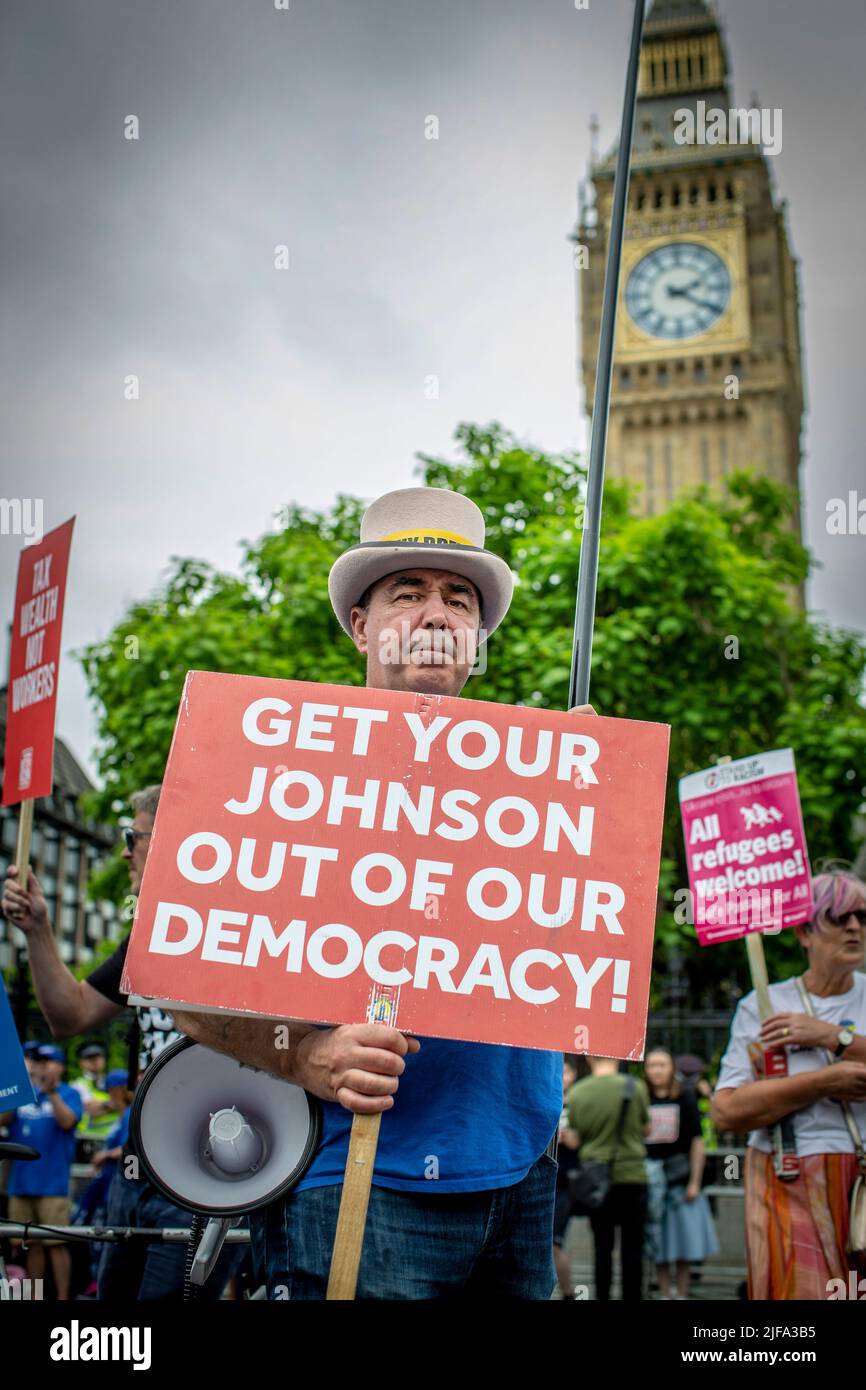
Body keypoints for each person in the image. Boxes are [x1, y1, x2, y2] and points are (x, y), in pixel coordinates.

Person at [171, 484, 598, 1300]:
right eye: (409, 592)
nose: (438, 614)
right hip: (360, 1184)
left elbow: (575, 965)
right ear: (362, 625)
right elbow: (184, 990)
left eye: (459, 598)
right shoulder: (278, 771)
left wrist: (586, 817)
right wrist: (312, 1053)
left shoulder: (541, 780)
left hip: (524, 1176)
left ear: (476, 637)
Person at [1, 786, 240, 1301]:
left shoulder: (238, 928)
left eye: (134, 836)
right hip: (136, 1170)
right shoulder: (147, 935)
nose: (125, 850)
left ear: (175, 837)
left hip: (204, 1174)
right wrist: (39, 930)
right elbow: (72, 1015)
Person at [713, 867, 866, 1300]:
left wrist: (831, 1037)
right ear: (804, 932)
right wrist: (824, 1081)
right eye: (838, 917)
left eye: (863, 917)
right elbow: (727, 1110)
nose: (855, 927)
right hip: (787, 1176)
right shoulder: (764, 1005)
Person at [1, 1043, 83, 1300]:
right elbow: (2, 1120)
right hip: (21, 1183)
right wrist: (18, 1089)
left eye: (48, 1061)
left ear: (60, 1066)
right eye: (37, 1061)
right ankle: (34, 1297)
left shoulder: (69, 1093)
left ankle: (62, 1297)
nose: (42, 1066)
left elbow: (68, 1121)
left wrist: (52, 1092)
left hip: (53, 1184)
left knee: (56, 1244)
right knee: (30, 1245)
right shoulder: (23, 1093)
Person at [566, 1055, 650, 1301]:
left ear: (590, 1058)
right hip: (633, 1176)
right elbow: (647, 1129)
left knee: (602, 1247)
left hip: (596, 1180)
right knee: (633, 1249)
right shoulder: (636, 1087)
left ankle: (602, 1295)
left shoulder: (579, 1092)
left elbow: (575, 1137)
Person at [643, 1047, 718, 1300]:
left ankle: (682, 1293)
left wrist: (695, 1182)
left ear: (671, 1068)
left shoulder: (685, 1097)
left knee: (685, 1239)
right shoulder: (642, 1097)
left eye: (662, 1064)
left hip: (680, 1178)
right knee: (660, 1240)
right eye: (652, 1065)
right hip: (652, 1179)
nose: (657, 1070)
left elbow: (697, 1141)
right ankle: (664, 1292)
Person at [553, 1056, 582, 1299]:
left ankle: (569, 1292)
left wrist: (575, 1139)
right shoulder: (547, 1099)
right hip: (545, 1178)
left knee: (555, 1241)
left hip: (567, 1180)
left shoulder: (580, 1101)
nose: (562, 1077)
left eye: (566, 1072)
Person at [70, 1043, 116, 1150]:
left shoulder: (113, 1081)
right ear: (81, 1063)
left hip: (113, 1140)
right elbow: (91, 1109)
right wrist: (117, 1103)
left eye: (97, 1057)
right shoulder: (77, 1085)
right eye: (89, 1058)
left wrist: (102, 1105)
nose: (94, 1061)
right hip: (88, 1141)